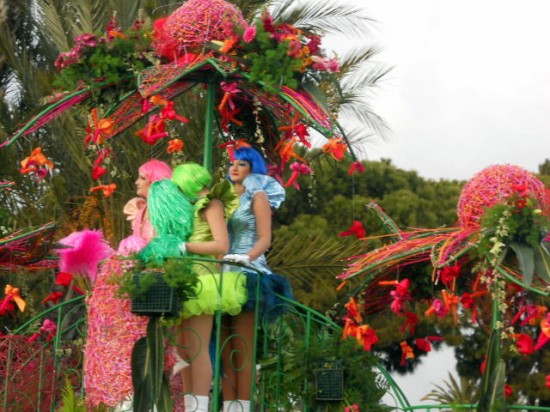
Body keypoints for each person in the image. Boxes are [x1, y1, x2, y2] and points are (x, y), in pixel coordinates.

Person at [143, 163, 247, 412]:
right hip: (184, 280)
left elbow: (221, 246)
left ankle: (199, 407)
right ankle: (188, 404)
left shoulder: (211, 205)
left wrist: (184, 248)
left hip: (205, 281)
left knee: (198, 346)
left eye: (179, 186)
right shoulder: (187, 208)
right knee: (183, 349)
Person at [84, 159, 173, 410]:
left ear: (155, 181)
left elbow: (158, 249)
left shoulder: (162, 212)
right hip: (127, 297)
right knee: (123, 355)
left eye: (142, 178)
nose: (136, 182)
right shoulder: (143, 211)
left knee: (147, 353)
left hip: (149, 292)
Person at [221, 147, 293, 412]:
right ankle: (229, 406)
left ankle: (243, 406)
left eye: (242, 164)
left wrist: (247, 257)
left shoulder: (257, 196)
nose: (235, 168)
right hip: (221, 275)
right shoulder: (225, 198)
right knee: (224, 349)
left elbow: (265, 238)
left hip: (248, 273)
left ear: (253, 168)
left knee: (243, 347)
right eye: (232, 163)